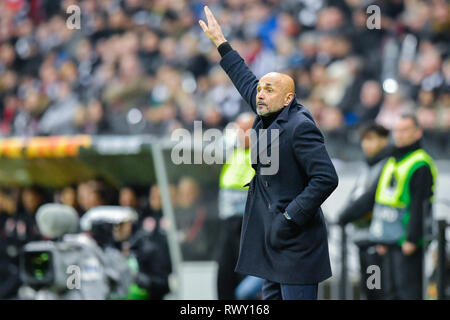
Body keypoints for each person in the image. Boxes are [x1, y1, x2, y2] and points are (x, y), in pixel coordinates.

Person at [199, 6, 339, 300]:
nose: (260, 94)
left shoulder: (300, 126)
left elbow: (326, 178)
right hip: (271, 244)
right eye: (260, 89)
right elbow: (244, 78)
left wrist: (290, 217)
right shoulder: (268, 112)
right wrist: (221, 43)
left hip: (297, 245)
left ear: (288, 98)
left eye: (269, 89)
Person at [338, 113, 437, 299]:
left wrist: (412, 239)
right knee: (384, 292)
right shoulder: (390, 162)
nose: (399, 135)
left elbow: (418, 204)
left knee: (400, 292)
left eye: (405, 130)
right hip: (383, 239)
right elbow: (375, 197)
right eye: (397, 130)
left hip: (401, 241)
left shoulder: (418, 162)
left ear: (417, 133)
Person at [337, 122, 392, 299]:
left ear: (384, 140)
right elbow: (355, 197)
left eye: (371, 139)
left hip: (376, 240)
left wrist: (343, 217)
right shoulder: (367, 166)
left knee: (377, 291)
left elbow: (367, 199)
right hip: (363, 238)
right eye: (364, 140)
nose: (366, 144)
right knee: (369, 290)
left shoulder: (387, 166)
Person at [216, 112, 255, 299]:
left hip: (248, 224)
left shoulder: (263, 154)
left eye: (246, 130)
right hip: (228, 222)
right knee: (224, 276)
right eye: (239, 130)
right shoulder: (235, 152)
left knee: (245, 280)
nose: (242, 134)